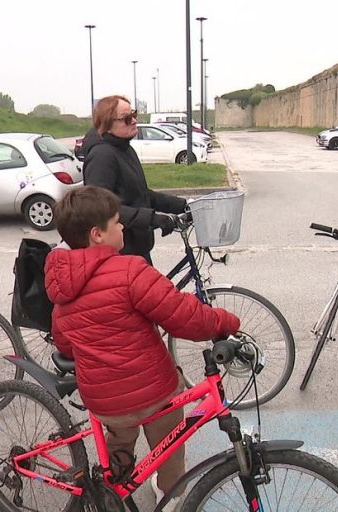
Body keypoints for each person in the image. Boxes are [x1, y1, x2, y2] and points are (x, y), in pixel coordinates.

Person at [45, 186, 240, 510]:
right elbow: (186, 318)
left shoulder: (61, 286)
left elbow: (64, 341)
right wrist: (226, 322)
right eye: (116, 222)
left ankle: (116, 485)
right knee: (170, 440)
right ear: (97, 235)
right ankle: (170, 490)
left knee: (119, 436)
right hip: (154, 394)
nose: (123, 227)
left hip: (105, 401)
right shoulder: (130, 270)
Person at [82, 95, 187, 264]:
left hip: (138, 247)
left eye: (134, 114)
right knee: (154, 291)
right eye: (126, 118)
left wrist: (182, 205)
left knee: (156, 290)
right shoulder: (102, 156)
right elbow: (101, 209)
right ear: (107, 125)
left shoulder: (125, 149)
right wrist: (153, 219)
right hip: (121, 253)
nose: (134, 121)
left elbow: (141, 194)